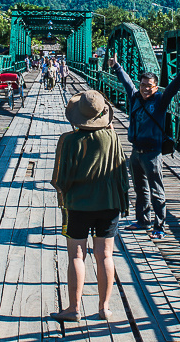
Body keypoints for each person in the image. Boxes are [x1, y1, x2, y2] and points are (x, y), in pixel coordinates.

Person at [49, 89, 128, 322]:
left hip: (79, 205)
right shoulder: (112, 138)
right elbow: (122, 171)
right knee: (105, 256)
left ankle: (73, 309)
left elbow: (60, 179)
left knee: (76, 255)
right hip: (109, 203)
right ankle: (104, 308)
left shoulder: (69, 141)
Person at [108, 53, 180, 238]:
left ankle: (159, 226)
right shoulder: (135, 97)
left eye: (149, 86)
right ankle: (142, 220)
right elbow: (127, 83)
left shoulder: (161, 101)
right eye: (143, 85)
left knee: (156, 191)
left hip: (152, 153)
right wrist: (117, 66)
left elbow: (173, 88)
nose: (145, 89)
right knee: (140, 189)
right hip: (135, 152)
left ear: (155, 88)